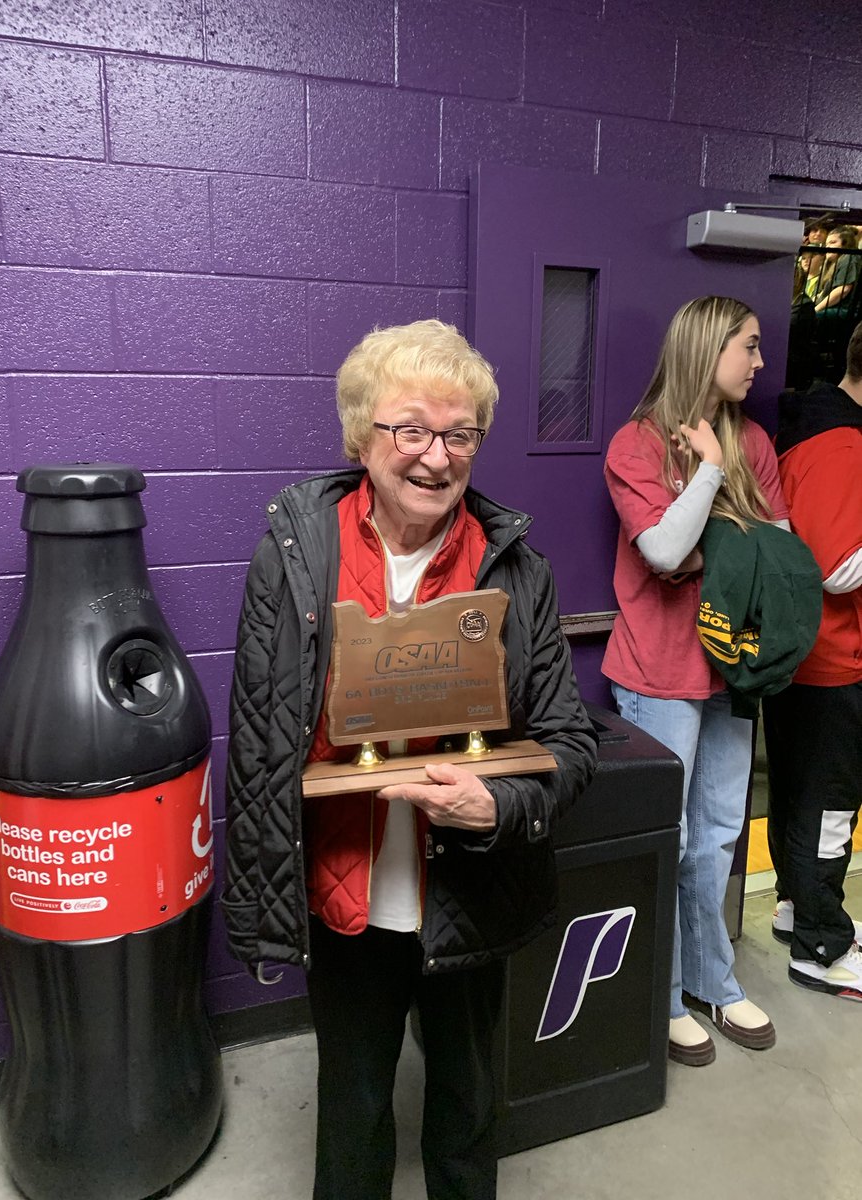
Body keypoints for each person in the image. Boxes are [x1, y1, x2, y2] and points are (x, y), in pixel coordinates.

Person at [223, 319, 598, 1199]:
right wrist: (259, 898)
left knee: (467, 1108)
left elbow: (570, 744)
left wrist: (498, 809)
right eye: (411, 430)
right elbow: (257, 740)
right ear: (361, 436)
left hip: (470, 890)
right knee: (352, 1110)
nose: (437, 457)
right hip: (343, 893)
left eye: (460, 433)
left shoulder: (516, 570)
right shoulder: (294, 559)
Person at [602, 296, 789, 1067]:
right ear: (709, 348)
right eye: (747, 346)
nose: (759, 361)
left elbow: (781, 552)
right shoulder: (637, 444)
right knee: (672, 839)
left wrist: (713, 541)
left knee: (717, 837)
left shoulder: (759, 443)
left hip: (732, 669)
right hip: (659, 671)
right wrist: (711, 474)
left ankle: (714, 978)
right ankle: (667, 992)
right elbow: (663, 553)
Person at [762, 319, 862, 1000]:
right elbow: (839, 566)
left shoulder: (820, 428)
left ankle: (800, 910)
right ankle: (821, 945)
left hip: (809, 655)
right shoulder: (843, 443)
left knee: (802, 797)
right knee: (828, 806)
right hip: (832, 658)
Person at [814, 225, 860, 315]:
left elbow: (843, 290)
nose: (828, 247)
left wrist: (815, 310)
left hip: (845, 310)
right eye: (827, 244)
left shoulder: (849, 257)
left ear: (846, 243)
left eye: (833, 242)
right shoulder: (834, 264)